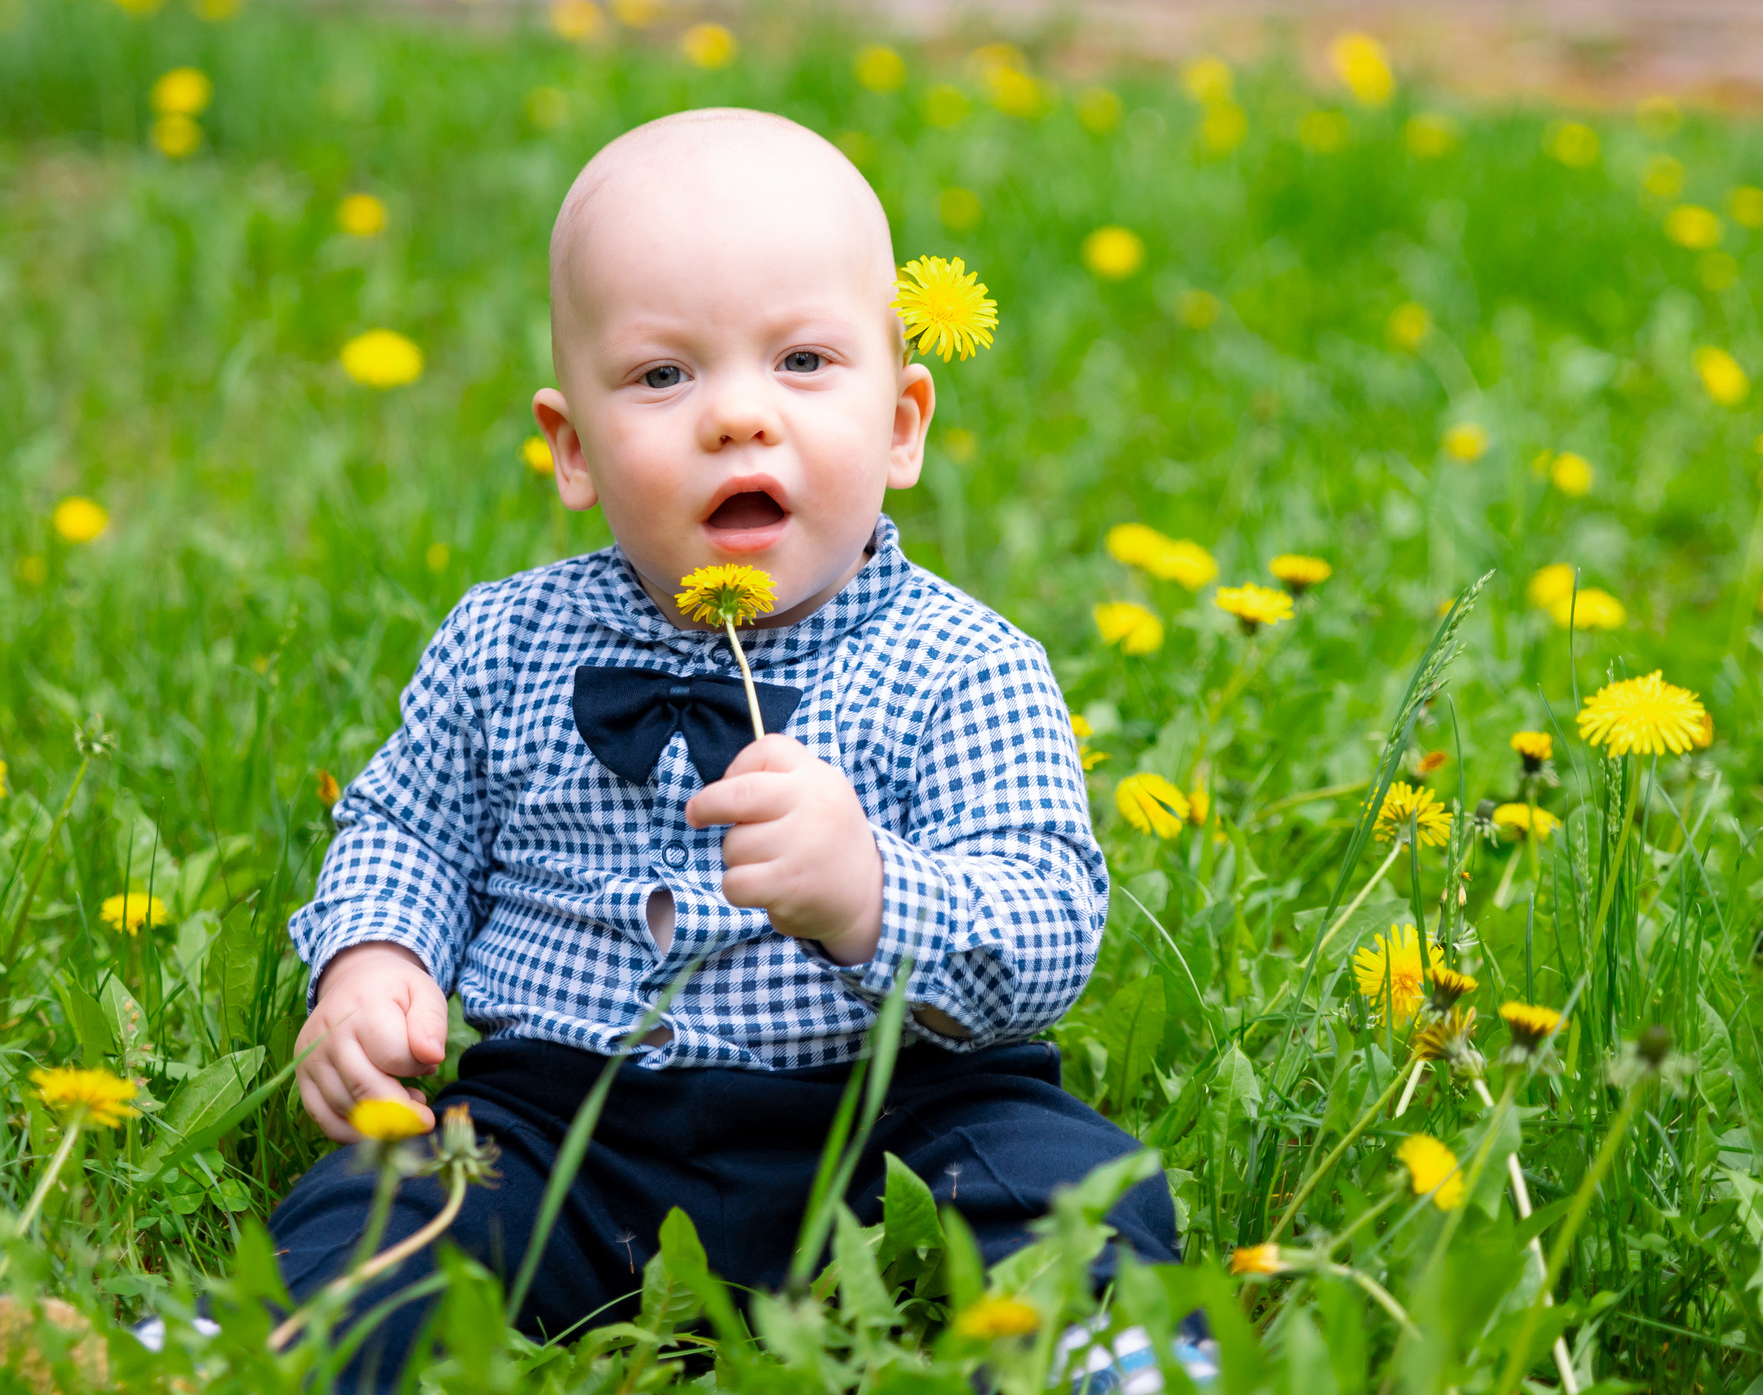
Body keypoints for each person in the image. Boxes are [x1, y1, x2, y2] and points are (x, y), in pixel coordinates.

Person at [268, 107, 1196, 1389]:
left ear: (903, 422)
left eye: (804, 362)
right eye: (664, 376)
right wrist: (373, 961)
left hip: (895, 1110)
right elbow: (409, 828)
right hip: (564, 1121)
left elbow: (1042, 930)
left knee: (1065, 1182)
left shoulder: (963, 664)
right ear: (573, 448)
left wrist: (872, 893)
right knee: (389, 1198)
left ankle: (1111, 1359)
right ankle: (269, 1355)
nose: (737, 418)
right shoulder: (501, 642)